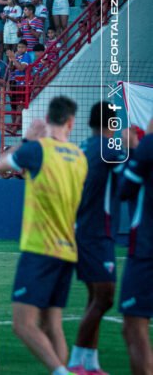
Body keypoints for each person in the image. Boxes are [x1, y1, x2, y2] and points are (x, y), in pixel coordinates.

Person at [0, 97, 87, 375]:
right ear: (71, 122)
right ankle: (61, 370)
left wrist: (28, 139)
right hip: (68, 248)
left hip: (40, 247)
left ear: (47, 119)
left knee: (23, 325)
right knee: (52, 324)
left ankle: (61, 372)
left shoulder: (38, 150)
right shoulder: (79, 157)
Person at [68, 102, 125, 374]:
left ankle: (91, 363)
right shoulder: (111, 149)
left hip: (81, 229)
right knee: (104, 298)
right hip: (97, 232)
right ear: (111, 124)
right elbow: (127, 186)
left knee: (95, 298)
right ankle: (76, 361)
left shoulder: (81, 148)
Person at [116, 125, 153, 375]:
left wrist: (136, 148)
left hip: (146, 250)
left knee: (133, 325)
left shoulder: (147, 147)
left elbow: (124, 190)